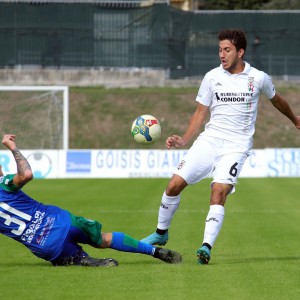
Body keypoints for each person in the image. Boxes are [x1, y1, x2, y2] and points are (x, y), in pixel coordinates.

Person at [141, 28, 300, 265]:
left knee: (218, 191)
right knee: (173, 185)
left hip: (237, 146)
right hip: (209, 141)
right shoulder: (212, 77)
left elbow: (278, 101)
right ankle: (161, 233)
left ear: (240, 52)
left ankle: (205, 247)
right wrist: (184, 140)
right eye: (219, 50)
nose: (222, 55)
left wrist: (295, 119)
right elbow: (200, 112)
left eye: (227, 50)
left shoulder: (258, 78)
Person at [0, 134, 182, 267]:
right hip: (62, 222)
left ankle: (84, 260)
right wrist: (13, 147)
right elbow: (27, 174)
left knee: (74, 259)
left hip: (46, 246)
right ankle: (154, 251)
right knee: (104, 239)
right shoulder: (4, 184)